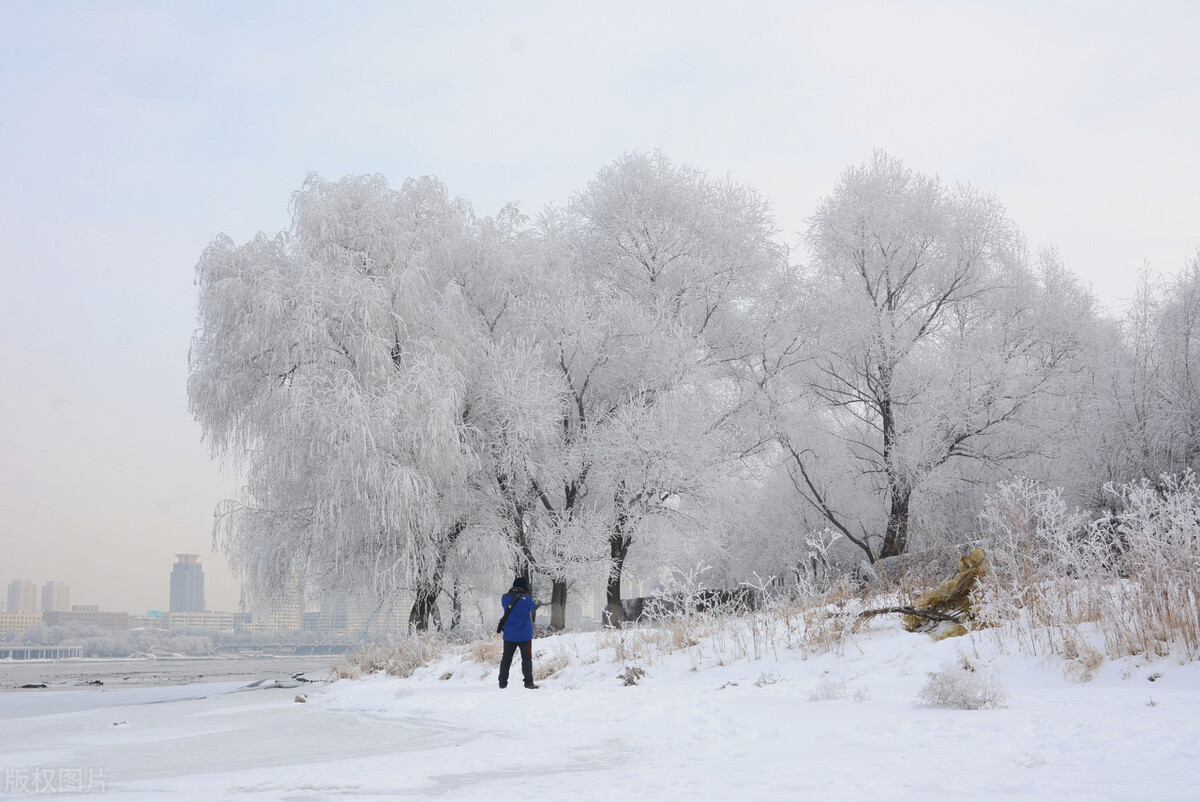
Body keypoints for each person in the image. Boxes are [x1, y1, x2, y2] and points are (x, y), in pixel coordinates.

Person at [498, 576, 539, 689]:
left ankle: (502, 682)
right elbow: (532, 607)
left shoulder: (505, 598)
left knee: (506, 659)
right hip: (524, 635)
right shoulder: (528, 599)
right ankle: (528, 682)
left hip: (509, 634)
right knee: (526, 659)